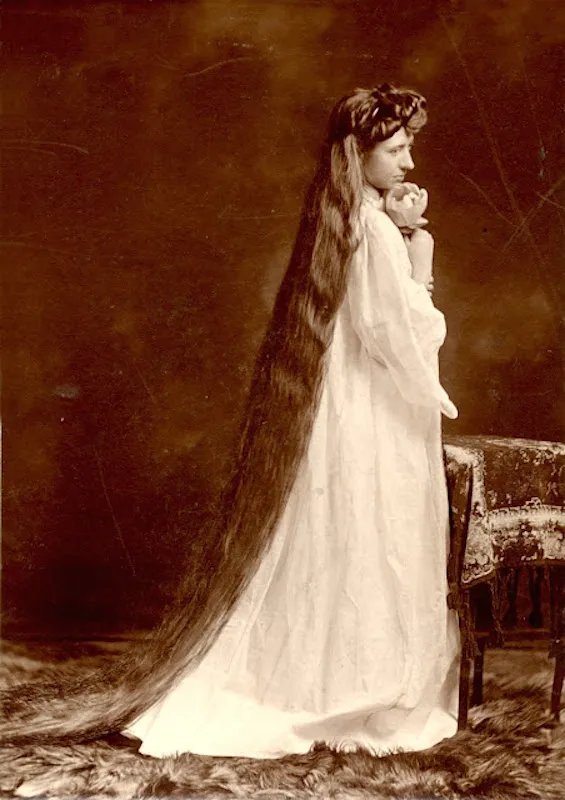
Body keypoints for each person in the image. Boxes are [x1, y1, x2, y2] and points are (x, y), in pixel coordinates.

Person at [1, 84, 460, 758]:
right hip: (368, 410)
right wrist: (419, 260)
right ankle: (351, 683)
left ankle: (323, 669)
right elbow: (396, 337)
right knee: (368, 531)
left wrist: (396, 229)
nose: (409, 163)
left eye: (408, 146)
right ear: (355, 156)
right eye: (394, 149)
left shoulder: (346, 222)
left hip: (340, 404)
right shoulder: (374, 235)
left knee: (342, 537)